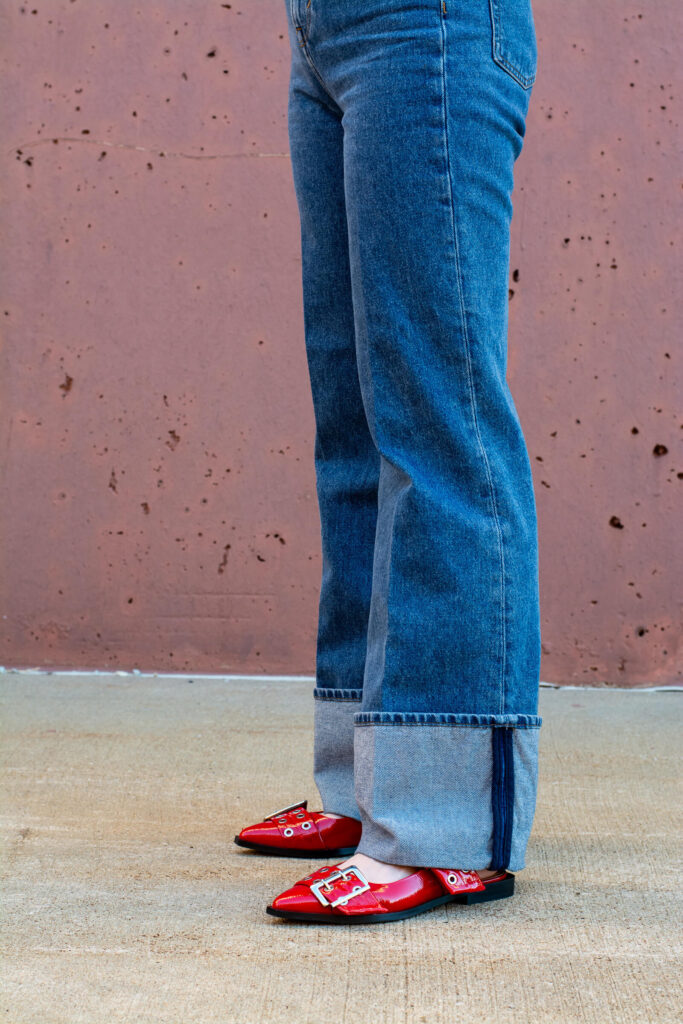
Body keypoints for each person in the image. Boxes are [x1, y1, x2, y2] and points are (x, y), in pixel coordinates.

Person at [235, 0, 542, 924]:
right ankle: (362, 789)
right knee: (355, 424)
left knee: (435, 416)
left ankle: (446, 832)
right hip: (319, 35)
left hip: (429, 23)